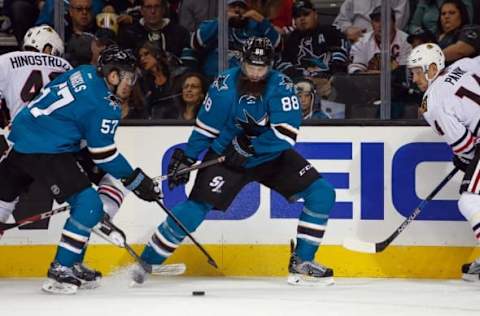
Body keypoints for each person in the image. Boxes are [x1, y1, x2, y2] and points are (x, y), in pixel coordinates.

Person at [130, 36, 336, 286]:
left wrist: (252, 146)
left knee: (322, 193)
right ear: (242, 62)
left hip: (270, 155)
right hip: (227, 158)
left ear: (270, 65)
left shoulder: (281, 85)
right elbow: (206, 127)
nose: (256, 73)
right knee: (194, 209)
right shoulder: (224, 86)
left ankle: (302, 261)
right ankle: (145, 263)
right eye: (252, 66)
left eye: (262, 67)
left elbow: (286, 132)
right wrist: (189, 156)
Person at [0, 45, 162, 294]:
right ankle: (62, 269)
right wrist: (137, 181)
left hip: (23, 137)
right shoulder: (106, 105)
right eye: (128, 77)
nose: (131, 83)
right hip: (45, 148)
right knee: (88, 205)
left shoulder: (85, 71)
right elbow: (103, 153)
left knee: (3, 200)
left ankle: (73, 261)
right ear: (112, 75)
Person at [407, 43, 480, 281]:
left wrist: (463, 158)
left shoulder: (432, 102)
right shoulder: (463, 64)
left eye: (418, 71)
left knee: (470, 201)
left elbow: (466, 147)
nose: (414, 78)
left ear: (432, 67)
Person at [182, 0, 280, 79]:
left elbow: (278, 46)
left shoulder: (256, 28)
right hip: (214, 78)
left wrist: (262, 20)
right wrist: (222, 20)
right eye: (233, 6)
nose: (237, 9)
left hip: (245, 80)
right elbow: (195, 43)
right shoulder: (213, 24)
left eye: (241, 7)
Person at [348, 6, 411, 74]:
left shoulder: (406, 41)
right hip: (368, 83)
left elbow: (405, 72)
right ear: (372, 24)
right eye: (377, 21)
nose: (381, 25)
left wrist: (374, 73)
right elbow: (355, 70)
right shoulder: (362, 41)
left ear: (394, 23)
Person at [332, 0, 410, 44]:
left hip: (387, 43)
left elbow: (398, 24)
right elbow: (340, 21)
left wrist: (371, 36)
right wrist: (347, 29)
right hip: (356, 41)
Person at [435, 0, 480, 64]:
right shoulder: (438, 38)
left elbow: (460, 50)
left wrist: (431, 58)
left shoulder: (473, 29)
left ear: (461, 15)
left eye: (452, 13)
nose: (446, 16)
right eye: (443, 14)